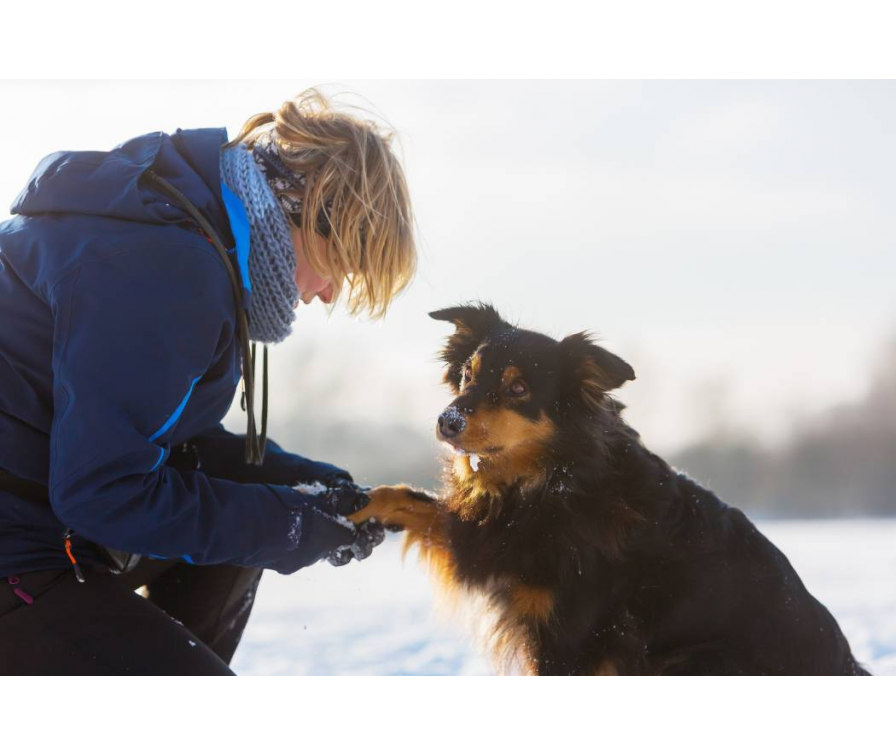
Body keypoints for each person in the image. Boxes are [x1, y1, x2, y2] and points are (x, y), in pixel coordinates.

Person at [0, 89, 416, 674]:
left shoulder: (183, 230)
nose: (327, 293)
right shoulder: (169, 269)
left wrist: (311, 490)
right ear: (304, 212)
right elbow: (103, 491)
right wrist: (289, 524)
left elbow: (163, 443)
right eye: (340, 262)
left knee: (244, 531)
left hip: (40, 518)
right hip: (20, 547)